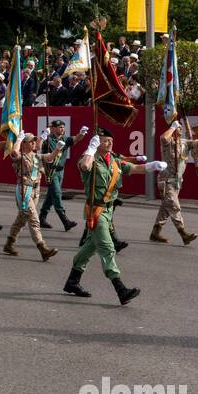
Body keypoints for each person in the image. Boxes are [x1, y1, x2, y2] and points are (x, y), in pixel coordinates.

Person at [63, 129, 163, 304]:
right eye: (105, 141)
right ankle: (120, 289)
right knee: (108, 248)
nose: (110, 143)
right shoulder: (90, 159)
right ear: (97, 142)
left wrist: (152, 166)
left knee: (90, 247)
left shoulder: (114, 161)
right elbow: (84, 166)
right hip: (96, 210)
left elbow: (134, 168)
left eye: (111, 140)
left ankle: (72, 281)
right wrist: (90, 148)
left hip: (108, 211)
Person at [150, 120, 198, 245]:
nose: (181, 130)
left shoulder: (184, 143)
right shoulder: (168, 143)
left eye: (181, 128)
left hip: (177, 182)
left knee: (166, 208)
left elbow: (195, 142)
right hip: (166, 181)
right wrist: (173, 127)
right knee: (174, 205)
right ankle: (183, 234)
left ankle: (155, 233)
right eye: (178, 128)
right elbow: (163, 137)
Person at [3, 133, 59, 262]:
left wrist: (57, 149)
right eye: (30, 141)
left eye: (35, 141)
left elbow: (50, 157)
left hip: (36, 191)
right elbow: (14, 152)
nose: (34, 143)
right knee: (34, 219)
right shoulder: (20, 158)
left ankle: (9, 244)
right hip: (24, 190)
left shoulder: (37, 156)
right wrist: (19, 139)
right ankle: (42, 247)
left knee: (22, 219)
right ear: (24, 143)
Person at [38, 122, 86, 231]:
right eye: (60, 127)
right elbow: (38, 146)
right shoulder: (48, 139)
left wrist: (82, 132)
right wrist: (43, 136)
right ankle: (65, 221)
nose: (62, 129)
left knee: (51, 194)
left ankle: (42, 217)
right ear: (54, 128)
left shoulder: (65, 139)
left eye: (63, 127)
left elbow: (77, 139)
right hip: (51, 170)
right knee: (57, 194)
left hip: (60, 171)